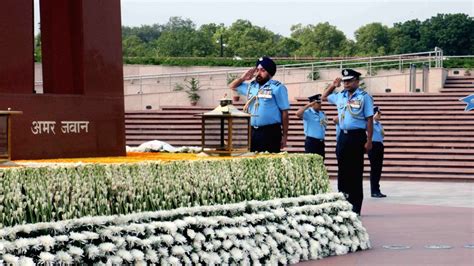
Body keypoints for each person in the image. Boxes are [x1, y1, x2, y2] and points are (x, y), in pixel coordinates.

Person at [322, 69, 374, 215]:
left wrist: (369, 140)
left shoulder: (364, 97)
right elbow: (324, 97)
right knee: (343, 171)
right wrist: (333, 85)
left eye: (349, 81)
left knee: (355, 172)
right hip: (343, 137)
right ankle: (343, 203)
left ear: (357, 81)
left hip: (357, 137)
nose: (346, 84)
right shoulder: (340, 96)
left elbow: (369, 119)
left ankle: (356, 206)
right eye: (345, 81)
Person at [229, 56, 290, 153]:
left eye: (262, 70)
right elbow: (232, 86)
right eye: (257, 70)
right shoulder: (251, 86)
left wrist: (285, 136)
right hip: (253, 131)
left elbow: (284, 112)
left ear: (269, 73)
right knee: (254, 162)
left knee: (270, 163)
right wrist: (243, 78)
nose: (258, 73)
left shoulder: (277, 88)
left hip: (270, 132)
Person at [295, 94, 327, 159]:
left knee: (321, 162)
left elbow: (323, 126)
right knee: (311, 162)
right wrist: (309, 105)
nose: (320, 104)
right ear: (313, 103)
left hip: (320, 142)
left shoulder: (322, 114)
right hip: (311, 142)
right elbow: (297, 113)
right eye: (318, 103)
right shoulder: (308, 113)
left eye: (320, 102)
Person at [369, 106, 387, 198]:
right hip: (373, 145)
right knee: (374, 168)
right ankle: (374, 190)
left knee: (378, 169)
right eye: (378, 113)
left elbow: (382, 135)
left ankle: (377, 189)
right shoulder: (370, 124)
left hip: (379, 145)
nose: (380, 115)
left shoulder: (379, 124)